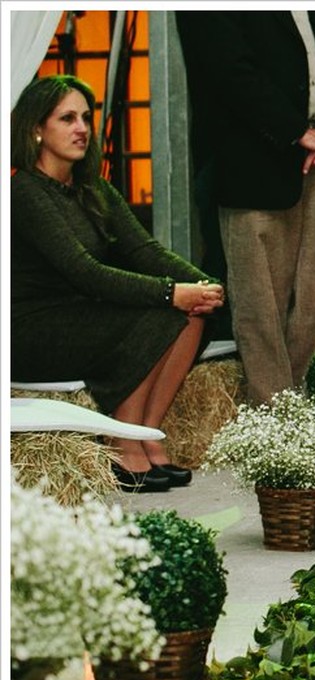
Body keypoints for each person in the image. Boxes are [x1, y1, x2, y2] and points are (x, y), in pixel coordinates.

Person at [10, 75, 225, 492]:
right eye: (67, 118)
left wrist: (202, 285)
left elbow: (146, 252)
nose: (82, 129)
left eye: (86, 118)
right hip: (33, 328)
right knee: (160, 315)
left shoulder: (93, 189)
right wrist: (170, 293)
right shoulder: (24, 191)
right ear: (37, 128)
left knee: (193, 315)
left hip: (81, 314)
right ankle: (122, 443)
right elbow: (84, 271)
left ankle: (146, 433)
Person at [176, 11, 315, 404]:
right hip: (255, 162)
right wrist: (298, 133)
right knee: (260, 301)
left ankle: (314, 409)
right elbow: (226, 69)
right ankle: (275, 416)